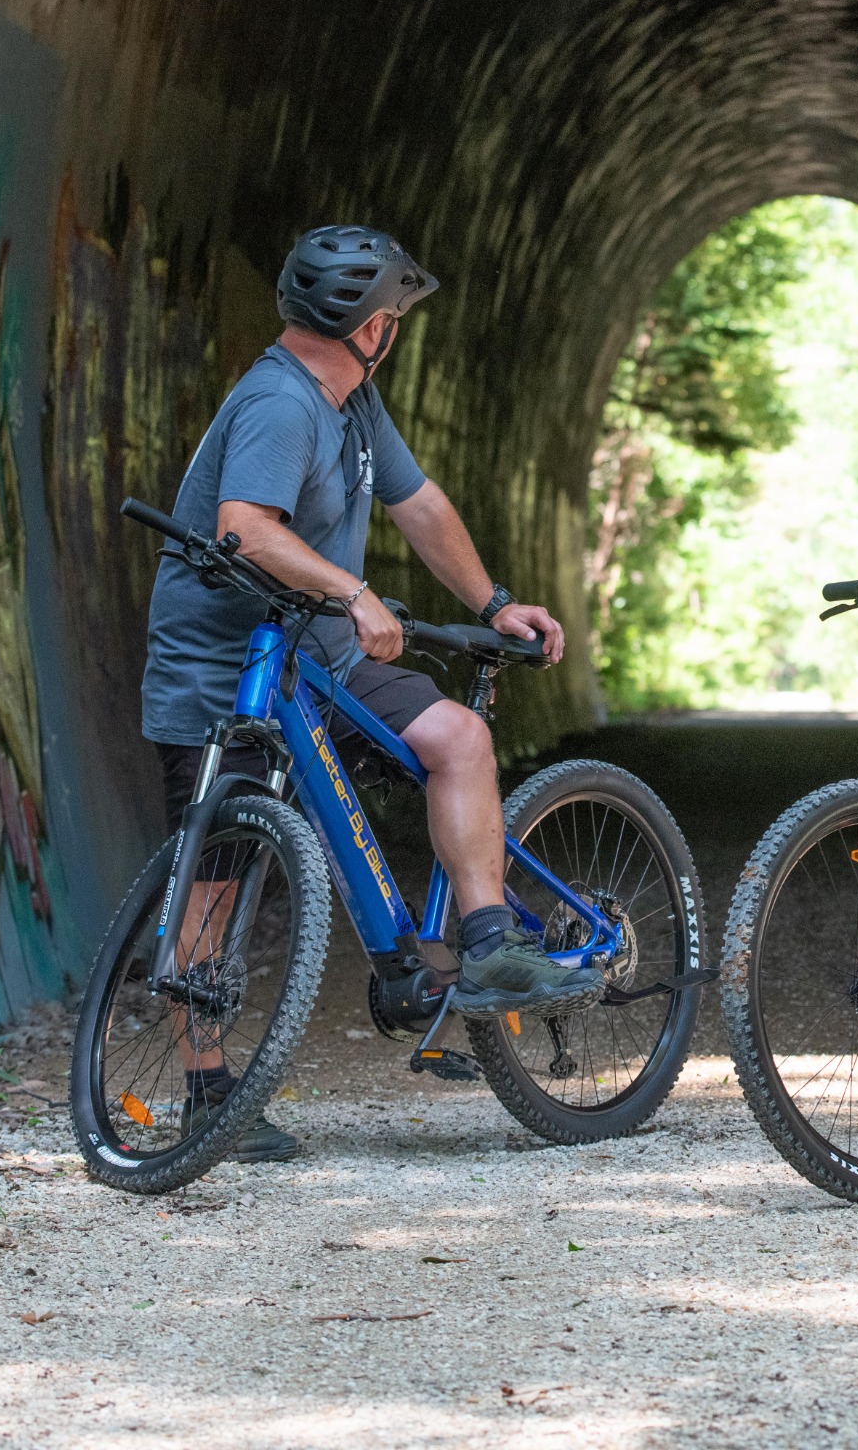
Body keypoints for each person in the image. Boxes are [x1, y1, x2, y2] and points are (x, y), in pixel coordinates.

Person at [140, 224, 595, 1162]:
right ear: (372, 325)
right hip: (222, 673)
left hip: (321, 658)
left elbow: (419, 505)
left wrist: (495, 603)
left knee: (457, 739)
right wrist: (350, 589)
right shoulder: (281, 404)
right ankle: (208, 1093)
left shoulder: (352, 404)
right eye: (395, 314)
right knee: (214, 877)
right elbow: (244, 529)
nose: (397, 329)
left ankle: (484, 943)